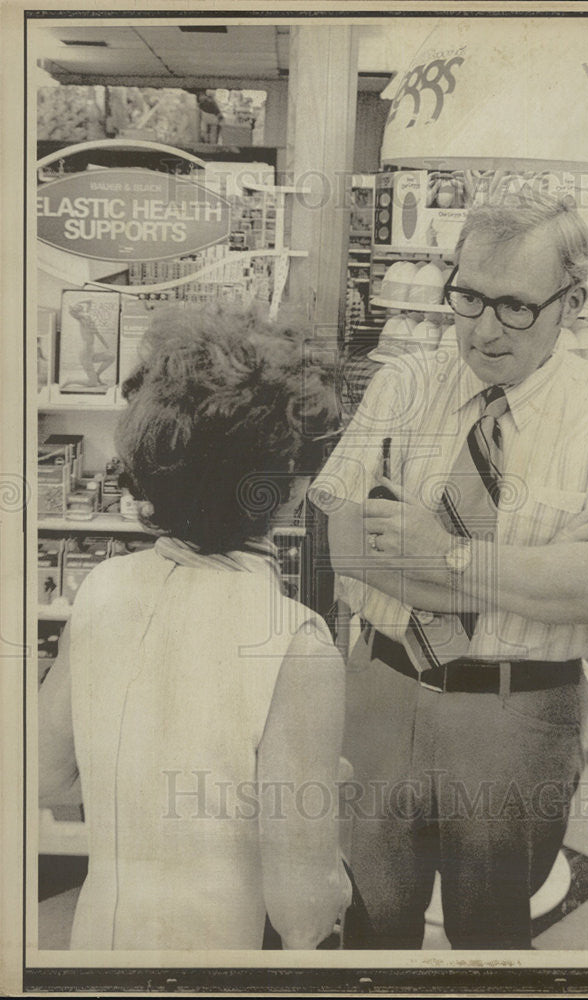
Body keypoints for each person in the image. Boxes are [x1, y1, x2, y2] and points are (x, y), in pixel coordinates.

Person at [310, 192, 588, 950]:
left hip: (521, 718)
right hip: (380, 691)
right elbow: (344, 546)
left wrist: (439, 552)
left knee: (490, 938)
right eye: (468, 297)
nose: (481, 328)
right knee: (371, 923)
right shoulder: (404, 382)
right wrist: (544, 569)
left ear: (569, 304)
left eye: (513, 306)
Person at [39, 304, 351, 950]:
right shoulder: (295, 642)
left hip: (100, 941)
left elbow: (46, 775)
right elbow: (302, 910)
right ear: (287, 490)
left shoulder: (100, 589)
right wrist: (324, 811)